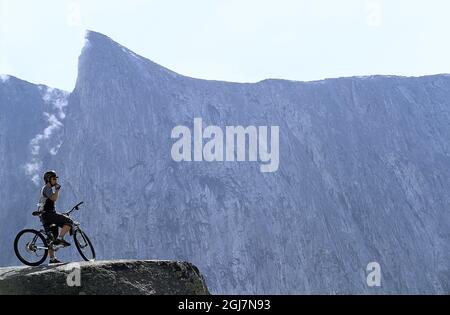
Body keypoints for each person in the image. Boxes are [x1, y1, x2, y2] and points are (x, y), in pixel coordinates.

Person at [37, 170, 73, 264]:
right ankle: (61, 239)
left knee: (51, 238)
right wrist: (57, 190)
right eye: (53, 179)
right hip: (48, 214)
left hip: (45, 215)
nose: (55, 181)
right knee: (69, 222)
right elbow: (54, 198)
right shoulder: (47, 188)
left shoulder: (47, 188)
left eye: (56, 179)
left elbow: (51, 200)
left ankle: (52, 259)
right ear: (48, 180)